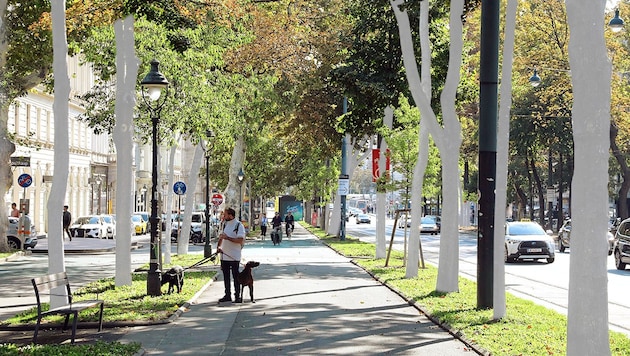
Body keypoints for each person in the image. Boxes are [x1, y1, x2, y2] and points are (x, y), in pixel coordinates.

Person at [217, 207, 245, 303]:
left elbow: (240, 240)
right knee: (226, 277)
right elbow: (222, 237)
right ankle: (227, 295)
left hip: (234, 256)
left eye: (225, 214)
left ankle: (237, 296)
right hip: (224, 256)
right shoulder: (225, 224)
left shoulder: (238, 225)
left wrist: (227, 238)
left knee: (236, 276)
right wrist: (219, 246)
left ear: (230, 215)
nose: (223, 216)